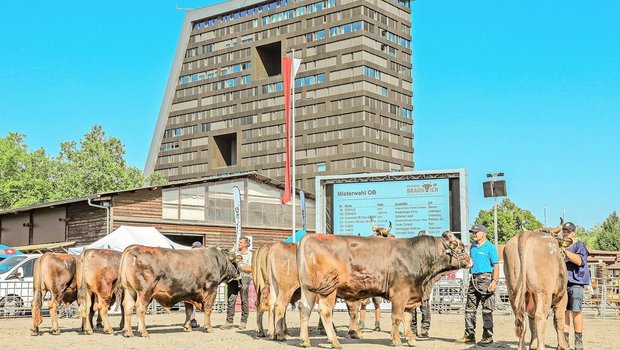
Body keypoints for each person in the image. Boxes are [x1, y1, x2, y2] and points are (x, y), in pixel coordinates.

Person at [456, 224, 499, 346]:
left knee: (486, 310)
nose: (474, 234)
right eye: (473, 232)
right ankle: (469, 335)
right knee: (469, 309)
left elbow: (496, 265)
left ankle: (488, 336)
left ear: (483, 233)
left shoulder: (490, 247)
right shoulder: (473, 247)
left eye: (476, 232)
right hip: (473, 280)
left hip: (486, 280)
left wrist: (494, 281)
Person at [560, 222, 590, 350]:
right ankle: (564, 341)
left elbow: (579, 261)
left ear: (573, 233)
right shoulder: (560, 245)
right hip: (563, 283)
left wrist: (565, 252)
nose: (565, 233)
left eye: (568, 231)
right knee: (564, 312)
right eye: (564, 231)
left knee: (576, 311)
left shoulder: (579, 245)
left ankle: (578, 341)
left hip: (576, 282)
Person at [221, 236, 253, 330]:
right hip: (234, 278)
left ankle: (243, 322)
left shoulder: (250, 255)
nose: (239, 243)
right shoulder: (235, 253)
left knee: (244, 300)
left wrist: (240, 266)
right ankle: (229, 322)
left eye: (241, 242)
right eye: (239, 242)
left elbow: (252, 269)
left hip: (245, 277)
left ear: (246, 244)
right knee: (231, 299)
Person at [411, 230, 431, 338]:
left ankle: (424, 329)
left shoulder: (430, 255)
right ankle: (413, 329)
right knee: (412, 307)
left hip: (425, 285)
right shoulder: (413, 254)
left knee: (425, 307)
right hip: (414, 285)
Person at [188, 241, 203, 328]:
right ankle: (191, 320)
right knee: (190, 301)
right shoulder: (189, 259)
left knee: (192, 302)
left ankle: (192, 320)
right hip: (191, 283)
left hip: (197, 284)